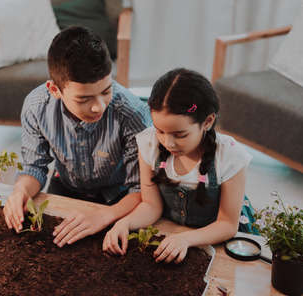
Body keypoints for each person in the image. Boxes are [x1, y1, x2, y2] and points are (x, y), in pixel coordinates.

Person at [3, 26, 150, 247]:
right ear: (54, 89)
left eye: (106, 91)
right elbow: (34, 167)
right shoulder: (36, 107)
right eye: (84, 99)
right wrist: (20, 191)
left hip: (119, 201)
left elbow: (141, 190)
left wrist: (105, 215)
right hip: (66, 189)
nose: (98, 107)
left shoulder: (132, 113)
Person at [103, 68, 258, 263]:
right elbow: (151, 205)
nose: (168, 143)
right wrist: (125, 223)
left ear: (208, 121)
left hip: (215, 240)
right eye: (160, 131)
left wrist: (186, 239)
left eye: (180, 135)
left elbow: (227, 224)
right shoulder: (149, 144)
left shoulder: (230, 156)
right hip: (173, 233)